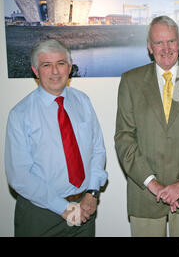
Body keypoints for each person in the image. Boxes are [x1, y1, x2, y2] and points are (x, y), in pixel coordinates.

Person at [114, 16, 179, 237]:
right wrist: (154, 185)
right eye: (159, 43)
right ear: (150, 47)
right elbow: (124, 138)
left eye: (171, 41)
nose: (166, 48)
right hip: (145, 195)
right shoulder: (130, 81)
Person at [5, 39, 108, 237]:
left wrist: (92, 193)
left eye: (60, 63)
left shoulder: (83, 101)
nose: (55, 71)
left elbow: (98, 150)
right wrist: (64, 208)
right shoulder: (20, 114)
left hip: (85, 208)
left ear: (69, 67)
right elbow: (19, 176)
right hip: (41, 215)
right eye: (46, 65)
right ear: (35, 70)